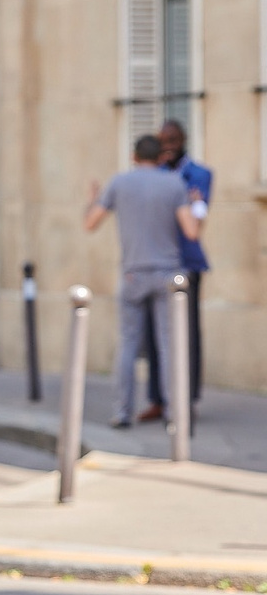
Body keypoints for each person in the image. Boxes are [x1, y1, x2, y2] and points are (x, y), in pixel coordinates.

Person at [84, 133, 200, 429]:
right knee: (169, 346)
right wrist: (197, 206)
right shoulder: (175, 183)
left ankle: (122, 412)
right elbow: (191, 232)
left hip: (133, 273)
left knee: (128, 346)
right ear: (161, 157)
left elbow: (90, 223)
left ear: (134, 156)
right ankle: (175, 414)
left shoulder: (119, 183)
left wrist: (92, 200)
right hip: (168, 276)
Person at [137, 119, 212, 421]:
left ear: (183, 140)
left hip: (185, 263)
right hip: (154, 260)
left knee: (187, 334)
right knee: (153, 335)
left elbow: (198, 218)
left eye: (172, 140)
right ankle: (158, 398)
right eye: (162, 141)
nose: (167, 147)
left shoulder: (198, 174)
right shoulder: (154, 175)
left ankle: (186, 400)